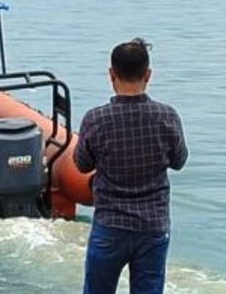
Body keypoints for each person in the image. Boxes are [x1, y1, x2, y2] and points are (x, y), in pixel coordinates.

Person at [74, 38, 187, 294]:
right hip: (153, 226)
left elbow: (81, 164)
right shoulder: (167, 116)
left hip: (110, 224)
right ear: (148, 75)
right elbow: (179, 161)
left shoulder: (96, 119)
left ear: (111, 74)